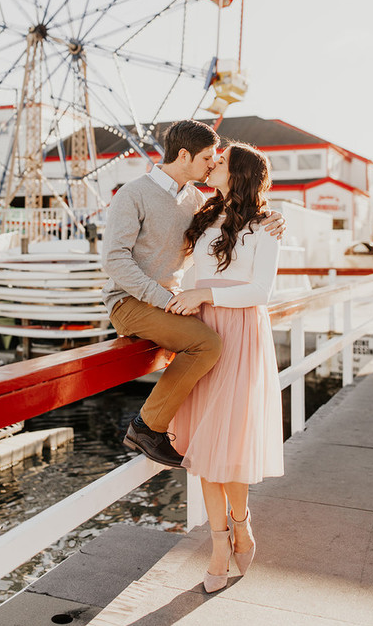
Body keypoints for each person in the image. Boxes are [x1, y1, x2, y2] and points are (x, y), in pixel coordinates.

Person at [101, 120, 285, 468]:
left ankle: (153, 426)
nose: (212, 164)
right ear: (183, 155)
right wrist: (165, 299)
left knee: (206, 347)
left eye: (217, 159)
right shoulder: (133, 194)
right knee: (208, 344)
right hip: (128, 301)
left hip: (166, 303)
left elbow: (239, 214)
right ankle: (147, 426)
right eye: (206, 158)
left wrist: (273, 218)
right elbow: (114, 261)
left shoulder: (196, 198)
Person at [166, 141, 283, 591]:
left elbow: (261, 291)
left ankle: (241, 521)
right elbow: (190, 274)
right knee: (204, 450)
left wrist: (205, 295)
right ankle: (218, 547)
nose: (213, 163)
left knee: (227, 449)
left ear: (240, 174)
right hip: (202, 335)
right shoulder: (203, 213)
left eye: (222, 162)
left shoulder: (265, 225)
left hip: (240, 333)